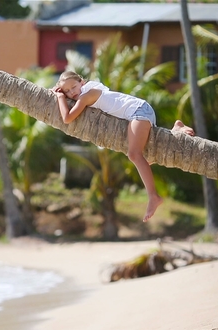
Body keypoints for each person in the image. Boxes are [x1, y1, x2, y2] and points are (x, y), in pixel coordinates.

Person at [52, 70, 195, 222]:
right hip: (140, 110)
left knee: (134, 154)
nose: (71, 92)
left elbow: (67, 118)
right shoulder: (91, 87)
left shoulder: (87, 95)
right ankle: (176, 130)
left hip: (138, 112)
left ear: (81, 82)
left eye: (73, 87)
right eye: (66, 91)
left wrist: (60, 96)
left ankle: (153, 196)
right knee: (149, 158)